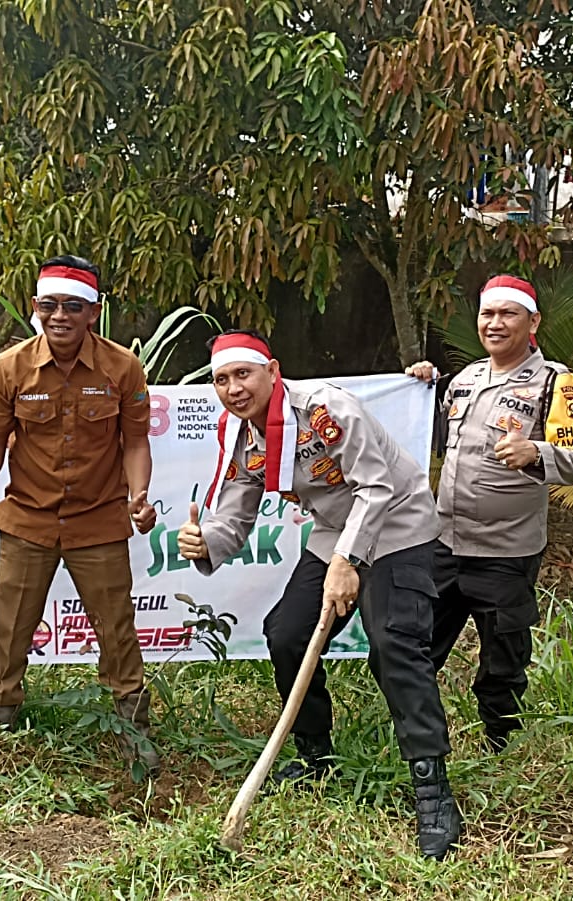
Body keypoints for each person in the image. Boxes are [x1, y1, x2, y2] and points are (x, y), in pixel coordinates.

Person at [177, 330, 463, 859]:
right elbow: (235, 517)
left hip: (399, 523)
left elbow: (376, 488)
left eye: (243, 374)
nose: (234, 388)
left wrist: (346, 563)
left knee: (393, 644)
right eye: (221, 380)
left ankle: (433, 791)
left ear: (272, 371)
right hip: (336, 530)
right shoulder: (240, 436)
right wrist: (203, 543)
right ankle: (315, 756)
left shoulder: (327, 408)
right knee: (285, 633)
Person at [0, 255, 160, 774]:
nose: (59, 315)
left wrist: (140, 494)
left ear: (94, 312)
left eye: (73, 306)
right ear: (34, 306)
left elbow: (135, 442)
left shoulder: (122, 368)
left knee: (117, 628)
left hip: (99, 521)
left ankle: (135, 726)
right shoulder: (11, 367)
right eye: (49, 305)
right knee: (12, 625)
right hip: (28, 519)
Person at [407, 275, 573, 752]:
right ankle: (418, 736)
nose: (495, 323)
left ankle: (500, 741)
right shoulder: (464, 380)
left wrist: (535, 452)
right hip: (444, 544)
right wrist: (417, 387)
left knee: (502, 658)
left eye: (508, 314)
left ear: (533, 322)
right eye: (488, 314)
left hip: (505, 552)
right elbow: (429, 438)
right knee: (418, 644)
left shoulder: (554, 382)